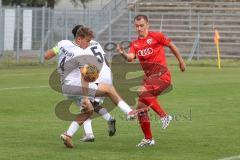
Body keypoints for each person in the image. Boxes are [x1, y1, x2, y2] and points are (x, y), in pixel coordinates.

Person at [44, 26, 135, 148]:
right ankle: (129, 112)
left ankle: (68, 135)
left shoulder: (63, 43)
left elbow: (47, 55)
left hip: (65, 87)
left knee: (89, 110)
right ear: (79, 39)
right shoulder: (81, 53)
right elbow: (84, 76)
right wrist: (86, 97)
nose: (88, 44)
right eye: (87, 41)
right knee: (109, 89)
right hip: (74, 85)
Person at [117, 14, 186, 147]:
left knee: (142, 92)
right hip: (150, 78)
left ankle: (164, 116)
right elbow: (130, 57)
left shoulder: (157, 36)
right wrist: (123, 53)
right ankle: (148, 139)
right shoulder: (135, 44)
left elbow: (171, 45)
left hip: (162, 75)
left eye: (142, 25)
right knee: (141, 108)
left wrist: (181, 61)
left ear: (147, 24)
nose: (139, 28)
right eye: (137, 26)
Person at [71, 25, 116, 142]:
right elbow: (104, 59)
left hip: (94, 77)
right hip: (106, 74)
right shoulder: (95, 42)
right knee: (94, 105)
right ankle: (109, 119)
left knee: (85, 106)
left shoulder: (80, 48)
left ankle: (89, 134)